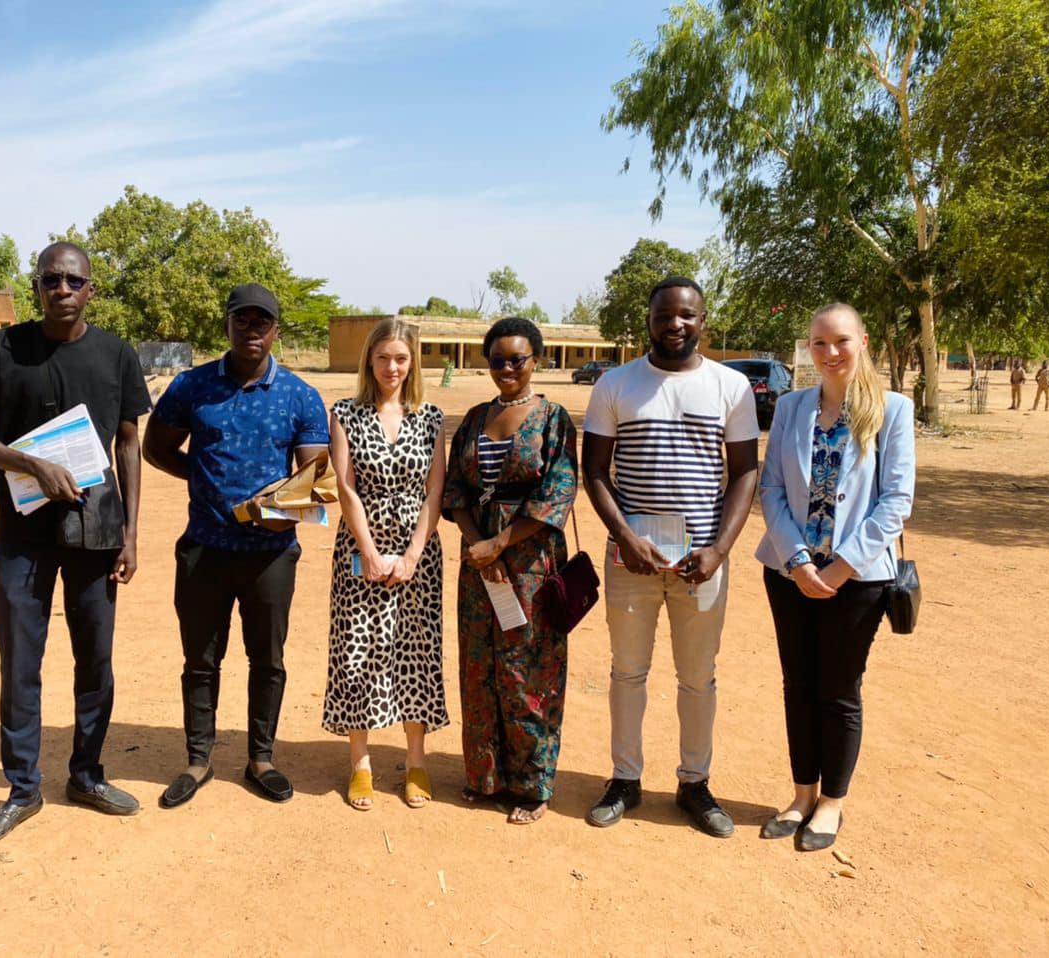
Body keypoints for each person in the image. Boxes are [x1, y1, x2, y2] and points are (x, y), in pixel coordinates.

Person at [0, 242, 151, 849]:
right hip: (23, 536)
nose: (61, 289)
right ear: (37, 287)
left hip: (96, 533)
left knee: (95, 661)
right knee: (20, 662)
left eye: (73, 280)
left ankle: (87, 775)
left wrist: (131, 533)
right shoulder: (1, 349)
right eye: (50, 279)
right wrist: (30, 465)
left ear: (91, 289)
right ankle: (22, 790)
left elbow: (128, 443)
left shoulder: (117, 355)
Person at [581, 276, 759, 838]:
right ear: (650, 320)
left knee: (698, 678)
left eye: (686, 315)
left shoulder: (730, 387)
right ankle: (624, 779)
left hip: (701, 563)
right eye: (664, 315)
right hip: (631, 560)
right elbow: (595, 470)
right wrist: (625, 537)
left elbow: (745, 472)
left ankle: (694, 783)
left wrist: (719, 549)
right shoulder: (616, 384)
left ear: (703, 321)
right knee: (627, 671)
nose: (675, 324)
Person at [143, 283, 329, 808]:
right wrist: (202, 480)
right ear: (226, 325)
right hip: (204, 548)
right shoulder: (191, 386)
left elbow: (315, 479)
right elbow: (156, 448)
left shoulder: (299, 395)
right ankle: (197, 760)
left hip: (271, 554)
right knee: (200, 660)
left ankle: (261, 759)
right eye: (242, 320)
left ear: (275, 330)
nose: (252, 330)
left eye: (262, 322)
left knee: (267, 659)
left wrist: (275, 512)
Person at [755, 302, 915, 851]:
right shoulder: (791, 407)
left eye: (841, 341)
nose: (830, 352)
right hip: (789, 573)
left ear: (862, 342)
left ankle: (831, 802)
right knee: (798, 685)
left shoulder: (892, 410)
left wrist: (842, 566)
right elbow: (771, 488)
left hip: (859, 580)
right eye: (819, 342)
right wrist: (798, 560)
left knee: (839, 690)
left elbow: (896, 501)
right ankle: (802, 794)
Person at [442, 316, 578, 824]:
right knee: (479, 667)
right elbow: (454, 488)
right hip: (479, 565)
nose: (506, 368)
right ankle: (485, 777)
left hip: (531, 564)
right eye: (497, 360)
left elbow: (558, 491)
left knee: (528, 671)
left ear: (535, 360)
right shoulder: (475, 419)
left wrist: (500, 543)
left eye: (516, 359)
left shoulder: (553, 419)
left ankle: (532, 784)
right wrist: (479, 545)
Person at [324, 318, 448, 811]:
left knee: (416, 650)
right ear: (368, 361)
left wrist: (413, 553)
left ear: (412, 362)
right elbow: (345, 486)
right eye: (382, 358)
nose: (391, 367)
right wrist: (370, 551)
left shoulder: (431, 418)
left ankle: (416, 760)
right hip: (360, 552)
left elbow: (435, 490)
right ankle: (360, 762)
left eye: (400, 358)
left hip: (420, 555)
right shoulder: (345, 414)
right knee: (357, 650)